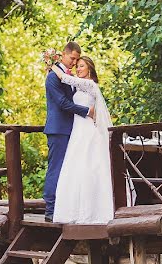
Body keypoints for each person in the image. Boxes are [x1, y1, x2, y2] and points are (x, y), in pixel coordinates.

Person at [49, 55, 115, 224]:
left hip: (87, 130)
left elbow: (64, 78)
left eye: (82, 66)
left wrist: (51, 64)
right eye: (77, 66)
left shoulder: (90, 84)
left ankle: (91, 211)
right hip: (77, 130)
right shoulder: (79, 87)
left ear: (90, 69)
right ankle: (73, 210)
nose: (78, 69)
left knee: (87, 167)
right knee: (75, 168)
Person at [43, 41, 96, 222]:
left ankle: (66, 207)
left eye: (76, 60)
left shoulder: (69, 76)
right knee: (56, 168)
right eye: (72, 58)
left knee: (69, 169)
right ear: (63, 55)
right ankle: (50, 209)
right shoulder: (52, 77)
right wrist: (87, 112)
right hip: (58, 129)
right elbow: (63, 104)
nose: (74, 63)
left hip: (72, 130)